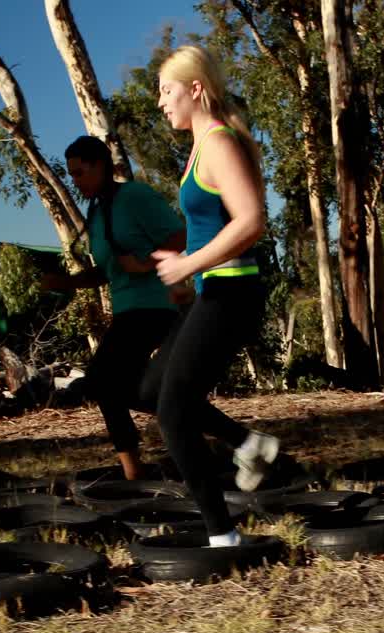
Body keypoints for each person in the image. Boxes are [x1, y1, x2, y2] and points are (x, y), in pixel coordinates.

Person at [146, 45, 280, 547]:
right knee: (147, 390)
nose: (161, 102)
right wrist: (187, 272)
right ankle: (248, 443)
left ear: (196, 89)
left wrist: (188, 265)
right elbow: (210, 229)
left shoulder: (219, 142)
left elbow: (250, 222)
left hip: (233, 292)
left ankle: (222, 538)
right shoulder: (198, 149)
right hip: (211, 291)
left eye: (167, 91)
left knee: (173, 411)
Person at [43, 136, 185, 482]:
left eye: (79, 172)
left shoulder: (135, 196)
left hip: (156, 305)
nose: (74, 181)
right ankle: (192, 429)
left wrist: (144, 262)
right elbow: (107, 272)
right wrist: (66, 283)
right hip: (127, 309)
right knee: (122, 388)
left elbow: (180, 237)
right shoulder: (96, 212)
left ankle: (135, 469)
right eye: (71, 174)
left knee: (103, 382)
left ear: (101, 165)